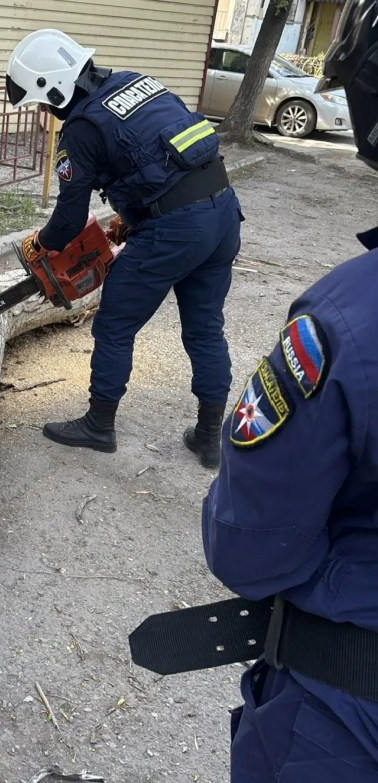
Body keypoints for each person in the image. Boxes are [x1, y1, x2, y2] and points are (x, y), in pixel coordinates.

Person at [204, 1, 378, 778]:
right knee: (200, 319)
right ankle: (201, 411)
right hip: (217, 216)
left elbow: (249, 547)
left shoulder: (349, 319)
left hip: (348, 714)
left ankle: (103, 416)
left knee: (122, 330)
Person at [6, 29, 243, 467]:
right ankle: (210, 437)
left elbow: (68, 221)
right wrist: (132, 217)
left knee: (114, 324)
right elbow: (159, 157)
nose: (42, 110)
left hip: (176, 229)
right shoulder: (134, 82)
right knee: (206, 328)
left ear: (53, 87)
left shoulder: (81, 128)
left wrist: (41, 245)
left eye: (40, 101)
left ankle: (98, 426)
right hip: (222, 212)